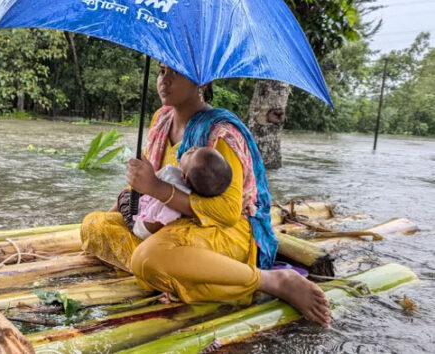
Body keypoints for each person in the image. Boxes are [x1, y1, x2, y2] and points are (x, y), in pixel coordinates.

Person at [80, 63, 332, 328]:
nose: (164, 81)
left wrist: (157, 188)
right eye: (162, 71)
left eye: (175, 73)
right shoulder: (160, 120)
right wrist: (126, 203)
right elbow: (144, 189)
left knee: (147, 259)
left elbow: (227, 212)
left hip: (220, 232)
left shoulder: (221, 133)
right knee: (94, 225)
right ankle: (180, 276)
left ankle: (270, 281)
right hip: (167, 226)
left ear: (201, 83)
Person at [119, 146, 233, 240]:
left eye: (191, 153)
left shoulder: (177, 201)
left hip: (139, 227)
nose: (193, 147)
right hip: (145, 208)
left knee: (124, 196)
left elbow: (153, 226)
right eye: (197, 148)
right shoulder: (191, 194)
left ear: (185, 177)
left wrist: (137, 227)